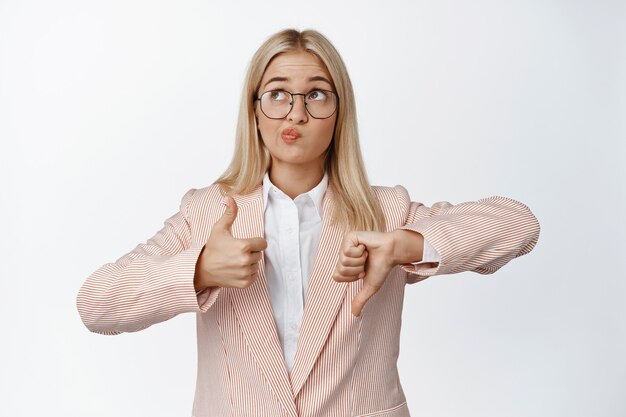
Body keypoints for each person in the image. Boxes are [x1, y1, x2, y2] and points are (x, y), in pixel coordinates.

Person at [77, 28, 540, 417]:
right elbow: (96, 304)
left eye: (316, 94)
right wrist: (197, 269)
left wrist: (405, 245)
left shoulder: (385, 213)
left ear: (340, 113)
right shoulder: (208, 213)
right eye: (277, 94)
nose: (296, 113)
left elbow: (518, 224)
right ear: (254, 111)